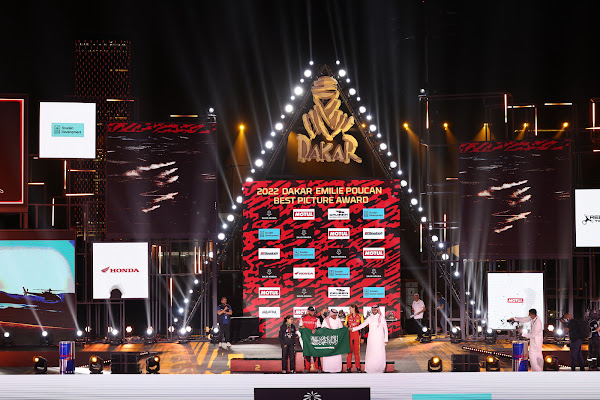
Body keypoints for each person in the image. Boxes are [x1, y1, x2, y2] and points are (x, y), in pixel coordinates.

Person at [351, 305, 388, 373]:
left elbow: (385, 329)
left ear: (377, 310)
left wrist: (386, 339)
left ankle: (380, 369)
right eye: (372, 310)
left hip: (380, 339)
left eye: (375, 310)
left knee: (379, 353)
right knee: (371, 353)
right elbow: (362, 325)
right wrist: (353, 329)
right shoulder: (370, 318)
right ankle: (370, 369)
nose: (373, 311)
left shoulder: (382, 318)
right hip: (371, 338)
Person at [299, 306, 322, 372]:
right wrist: (302, 327)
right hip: (306, 338)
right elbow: (300, 327)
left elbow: (319, 327)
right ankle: (306, 368)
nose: (313, 313)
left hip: (314, 338)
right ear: (308, 311)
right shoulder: (303, 318)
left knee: (316, 353)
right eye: (311, 312)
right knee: (307, 353)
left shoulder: (316, 319)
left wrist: (315, 329)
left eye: (313, 312)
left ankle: (318, 368)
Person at [321, 309, 344, 373]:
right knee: (328, 356)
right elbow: (323, 329)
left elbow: (341, 329)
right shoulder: (326, 320)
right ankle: (327, 369)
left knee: (336, 356)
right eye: (334, 315)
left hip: (336, 340)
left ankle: (337, 369)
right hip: (328, 340)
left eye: (336, 315)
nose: (335, 317)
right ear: (331, 315)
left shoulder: (338, 320)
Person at [345, 304, 364, 372]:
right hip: (349, 335)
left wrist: (362, 337)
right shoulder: (347, 316)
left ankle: (358, 367)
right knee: (349, 351)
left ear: (353, 308)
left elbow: (363, 327)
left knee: (356, 351)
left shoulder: (360, 316)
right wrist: (346, 327)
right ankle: (348, 367)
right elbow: (345, 325)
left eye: (350, 308)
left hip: (357, 335)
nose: (349, 309)